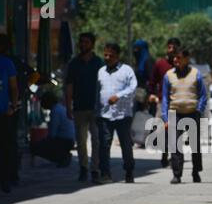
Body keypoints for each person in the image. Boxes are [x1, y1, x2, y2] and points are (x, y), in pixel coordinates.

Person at [162, 47, 207, 184]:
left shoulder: (196, 74)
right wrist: (165, 118)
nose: (175, 60)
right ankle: (177, 174)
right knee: (175, 145)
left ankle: (196, 171)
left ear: (187, 59)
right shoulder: (168, 75)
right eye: (174, 57)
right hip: (175, 114)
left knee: (195, 145)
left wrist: (199, 110)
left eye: (179, 58)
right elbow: (165, 98)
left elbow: (203, 95)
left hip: (192, 114)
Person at [0, 34, 37, 186]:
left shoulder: (8, 62)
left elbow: (34, 75)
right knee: (9, 143)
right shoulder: (14, 61)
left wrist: (23, 88)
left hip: (10, 107)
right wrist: (26, 87)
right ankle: (10, 176)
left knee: (6, 143)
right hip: (12, 105)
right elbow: (34, 74)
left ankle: (7, 176)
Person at [96, 43, 138, 184]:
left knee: (125, 144)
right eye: (105, 54)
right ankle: (105, 174)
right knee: (104, 145)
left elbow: (133, 88)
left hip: (123, 115)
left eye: (111, 55)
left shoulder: (127, 71)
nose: (107, 58)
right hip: (105, 114)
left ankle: (129, 171)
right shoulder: (101, 71)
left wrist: (118, 95)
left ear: (118, 56)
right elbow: (97, 91)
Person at [66, 32, 104, 183]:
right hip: (79, 107)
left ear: (92, 45)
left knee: (96, 140)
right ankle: (83, 168)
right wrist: (68, 106)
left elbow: (104, 85)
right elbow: (69, 86)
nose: (83, 45)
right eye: (81, 42)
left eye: (86, 42)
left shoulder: (98, 63)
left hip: (95, 108)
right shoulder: (74, 63)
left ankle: (95, 169)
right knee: (81, 141)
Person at [0, 34, 18, 197]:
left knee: (5, 150)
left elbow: (14, 87)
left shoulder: (6, 64)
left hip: (3, 114)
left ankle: (5, 179)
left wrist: (13, 105)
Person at [149, 37, 181, 167]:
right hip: (162, 102)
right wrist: (152, 94)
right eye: (169, 47)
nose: (171, 50)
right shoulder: (160, 64)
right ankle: (164, 155)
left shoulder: (181, 65)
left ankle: (174, 157)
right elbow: (153, 81)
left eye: (174, 47)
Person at [31, 91, 75, 168]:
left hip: (64, 141)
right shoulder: (60, 108)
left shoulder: (55, 111)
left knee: (35, 147)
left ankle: (62, 157)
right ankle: (62, 156)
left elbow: (52, 134)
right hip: (69, 140)